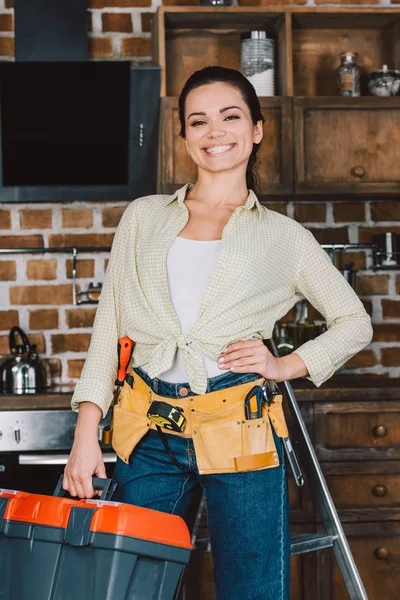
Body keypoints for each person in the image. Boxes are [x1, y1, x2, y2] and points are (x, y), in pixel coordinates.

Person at [64, 66, 373, 600]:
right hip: (147, 431)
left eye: (230, 117)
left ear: (256, 129)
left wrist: (281, 366)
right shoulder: (142, 218)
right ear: (183, 137)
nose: (215, 132)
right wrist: (86, 434)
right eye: (198, 121)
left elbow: (354, 323)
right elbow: (109, 327)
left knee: (250, 590)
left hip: (241, 428)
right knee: (130, 589)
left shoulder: (284, 237)